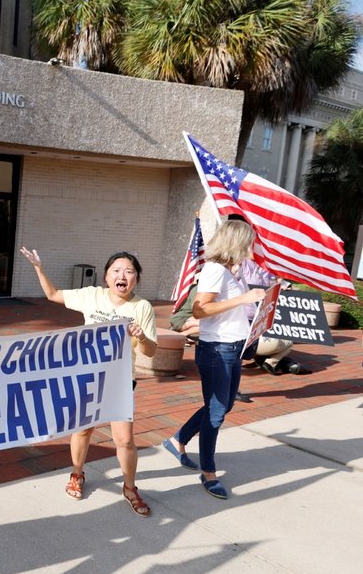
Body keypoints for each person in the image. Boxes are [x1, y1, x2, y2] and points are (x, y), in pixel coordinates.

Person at [20, 247, 157, 517]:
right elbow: (53, 295)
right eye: (116, 270)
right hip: (87, 379)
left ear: (136, 279)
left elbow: (150, 351)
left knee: (125, 441)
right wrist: (38, 267)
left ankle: (130, 488)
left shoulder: (142, 307)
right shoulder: (91, 295)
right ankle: (77, 474)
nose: (123, 276)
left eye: (129, 272)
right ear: (106, 277)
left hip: (120, 382)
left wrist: (141, 336)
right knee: (83, 431)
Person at [162, 220, 265, 500]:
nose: (251, 246)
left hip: (232, 347)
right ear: (236, 242)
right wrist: (243, 297)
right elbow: (199, 310)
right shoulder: (214, 270)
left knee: (222, 405)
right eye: (248, 241)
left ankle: (178, 440)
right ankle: (209, 473)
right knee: (217, 412)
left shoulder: (231, 271)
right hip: (217, 351)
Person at [170, 283, 253, 404]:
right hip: (184, 320)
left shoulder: (218, 288)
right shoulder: (202, 289)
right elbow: (200, 311)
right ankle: (183, 334)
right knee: (212, 323)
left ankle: (229, 391)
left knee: (214, 322)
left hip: (214, 331)